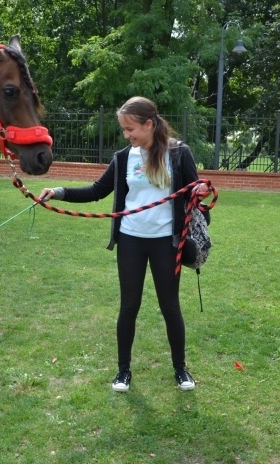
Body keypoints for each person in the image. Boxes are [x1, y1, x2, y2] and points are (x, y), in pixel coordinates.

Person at [39, 96, 208, 392]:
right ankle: (123, 371)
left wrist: (200, 193)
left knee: (170, 306)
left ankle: (181, 370)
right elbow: (97, 191)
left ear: (149, 124)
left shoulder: (179, 154)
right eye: (123, 130)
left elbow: (195, 197)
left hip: (166, 243)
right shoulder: (123, 158)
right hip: (131, 240)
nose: (127, 135)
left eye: (131, 129)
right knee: (129, 306)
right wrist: (59, 191)